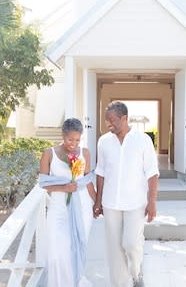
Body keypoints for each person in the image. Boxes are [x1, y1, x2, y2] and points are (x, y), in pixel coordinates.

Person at [94, 101, 159, 287]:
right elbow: (101, 172)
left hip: (136, 202)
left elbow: (152, 173)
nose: (108, 124)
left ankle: (136, 274)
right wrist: (98, 201)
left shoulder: (143, 140)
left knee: (131, 244)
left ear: (124, 118)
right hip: (110, 203)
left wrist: (152, 202)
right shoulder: (103, 141)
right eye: (107, 120)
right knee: (114, 250)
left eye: (112, 120)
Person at [39, 118, 96, 287]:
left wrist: (97, 203)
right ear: (63, 135)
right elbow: (43, 183)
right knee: (57, 250)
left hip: (82, 206)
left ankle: (75, 281)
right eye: (70, 139)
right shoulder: (49, 153)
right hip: (58, 208)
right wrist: (64, 188)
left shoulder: (85, 153)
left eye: (77, 140)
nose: (74, 143)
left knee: (76, 246)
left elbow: (87, 181)